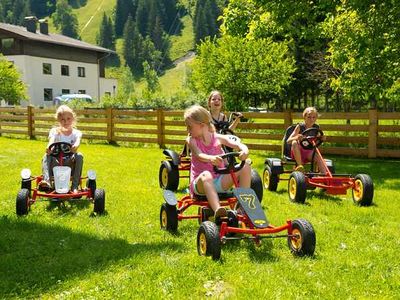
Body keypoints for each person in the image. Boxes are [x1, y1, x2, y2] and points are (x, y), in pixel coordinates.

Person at [184, 105, 251, 218]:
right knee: (206, 175)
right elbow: (199, 154)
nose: (187, 130)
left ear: (201, 125)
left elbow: (236, 142)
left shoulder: (217, 137)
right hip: (200, 184)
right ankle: (218, 210)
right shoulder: (191, 140)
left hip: (219, 181)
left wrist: (245, 150)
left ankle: (242, 208)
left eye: (190, 127)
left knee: (246, 166)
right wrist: (211, 158)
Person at [39, 105, 83, 193]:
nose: (66, 121)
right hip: (56, 163)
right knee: (46, 156)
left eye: (68, 119)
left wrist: (75, 146)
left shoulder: (76, 133)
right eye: (63, 119)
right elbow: (51, 140)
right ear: (58, 120)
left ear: (73, 118)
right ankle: (47, 182)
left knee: (79, 156)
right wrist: (49, 147)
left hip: (69, 163)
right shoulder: (55, 131)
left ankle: (74, 186)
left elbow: (77, 141)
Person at [286, 107, 327, 173]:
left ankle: (325, 177)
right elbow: (288, 141)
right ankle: (300, 166)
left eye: (314, 117)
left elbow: (316, 142)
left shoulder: (316, 127)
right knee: (294, 142)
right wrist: (296, 137)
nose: (311, 119)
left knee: (319, 159)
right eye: (309, 117)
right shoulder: (300, 126)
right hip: (297, 151)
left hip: (309, 152)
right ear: (304, 117)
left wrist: (321, 138)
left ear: (316, 118)